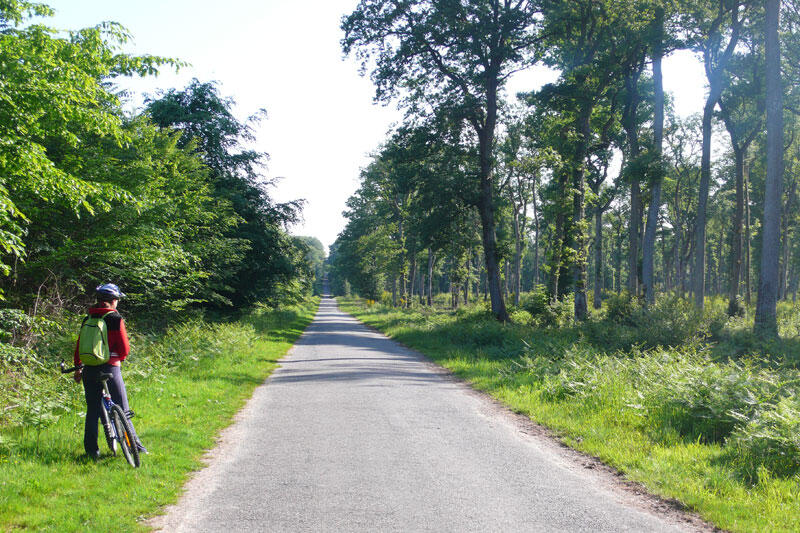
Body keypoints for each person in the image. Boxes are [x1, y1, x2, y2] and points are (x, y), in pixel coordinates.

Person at [73, 283, 147, 458]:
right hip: (110, 368)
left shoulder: (88, 319)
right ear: (113, 301)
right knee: (123, 407)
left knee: (92, 411)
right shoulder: (115, 318)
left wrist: (78, 368)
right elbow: (124, 349)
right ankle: (135, 447)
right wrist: (118, 359)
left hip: (89, 369)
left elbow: (79, 346)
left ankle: (92, 452)